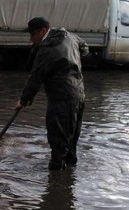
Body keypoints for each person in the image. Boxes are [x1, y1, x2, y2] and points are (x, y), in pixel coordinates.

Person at [16, 17, 88, 171]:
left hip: (62, 97)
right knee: (72, 136)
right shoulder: (69, 36)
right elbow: (85, 48)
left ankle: (55, 180)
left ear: (43, 31)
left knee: (58, 139)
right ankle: (69, 177)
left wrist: (23, 99)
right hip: (79, 94)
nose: (31, 39)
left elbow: (36, 77)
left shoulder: (47, 49)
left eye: (33, 34)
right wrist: (72, 61)